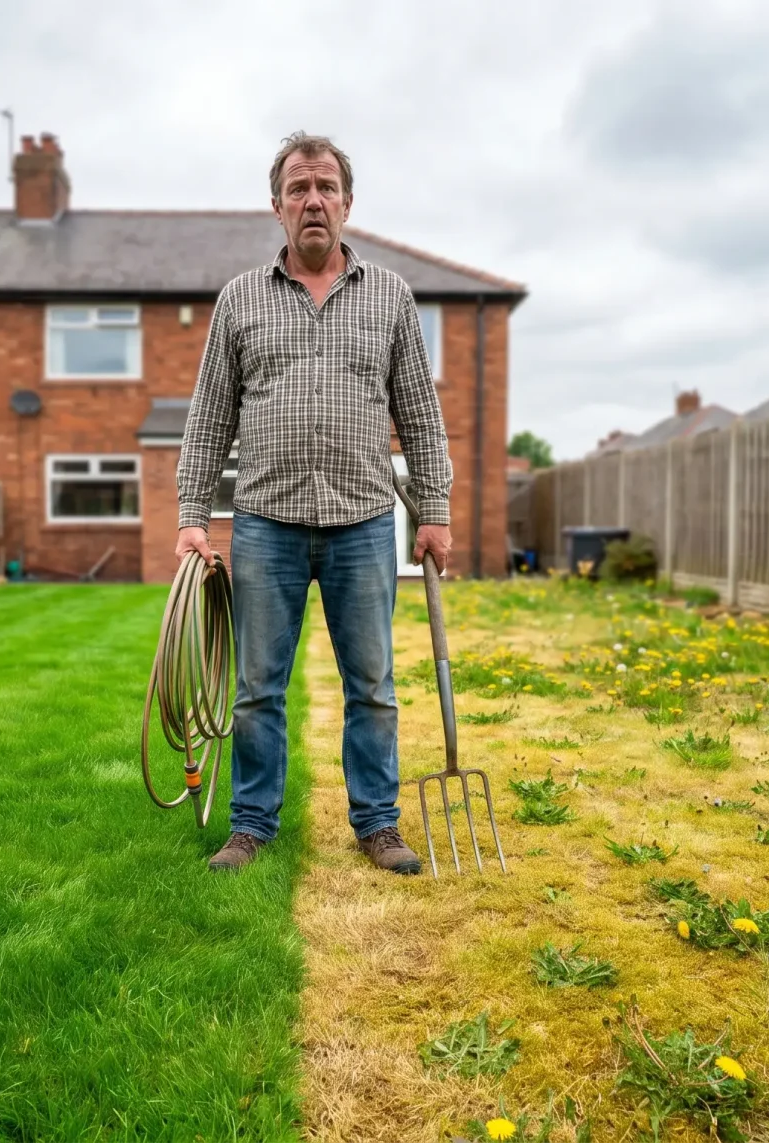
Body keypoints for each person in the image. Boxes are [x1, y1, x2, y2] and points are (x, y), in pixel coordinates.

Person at [175, 131, 453, 875]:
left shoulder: (391, 296)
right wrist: (191, 517)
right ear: (277, 207)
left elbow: (420, 414)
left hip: (364, 522)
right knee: (257, 689)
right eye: (299, 188)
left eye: (326, 186)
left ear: (348, 203)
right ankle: (251, 824)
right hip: (266, 524)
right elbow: (209, 417)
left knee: (372, 686)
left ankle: (378, 824)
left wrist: (435, 509)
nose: (314, 201)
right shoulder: (240, 299)